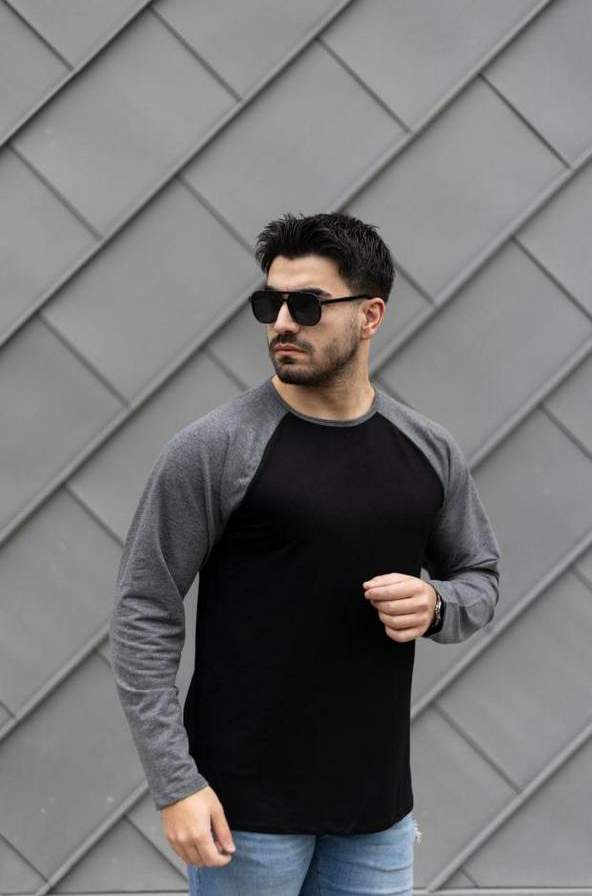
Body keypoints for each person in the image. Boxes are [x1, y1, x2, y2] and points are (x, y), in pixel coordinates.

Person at [110, 211, 501, 895]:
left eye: (308, 304)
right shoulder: (214, 449)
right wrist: (177, 784)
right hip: (243, 817)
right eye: (271, 304)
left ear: (371, 315)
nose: (283, 323)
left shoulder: (428, 451)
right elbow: (143, 612)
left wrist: (438, 605)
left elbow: (481, 576)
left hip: (378, 817)